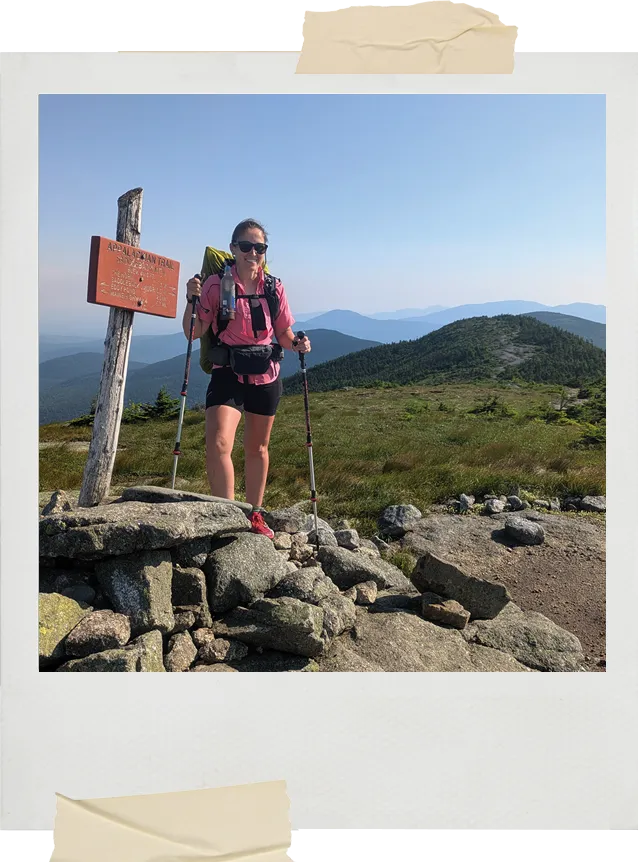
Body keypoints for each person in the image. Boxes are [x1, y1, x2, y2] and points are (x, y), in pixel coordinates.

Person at [183, 219, 311, 538]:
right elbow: (193, 331)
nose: (253, 253)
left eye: (259, 247)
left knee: (258, 447)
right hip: (228, 371)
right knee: (218, 442)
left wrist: (297, 344)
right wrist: (191, 300)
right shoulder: (216, 286)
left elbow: (283, 333)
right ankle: (226, 515)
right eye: (246, 246)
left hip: (267, 373)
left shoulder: (273, 287)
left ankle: (255, 514)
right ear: (233, 249)